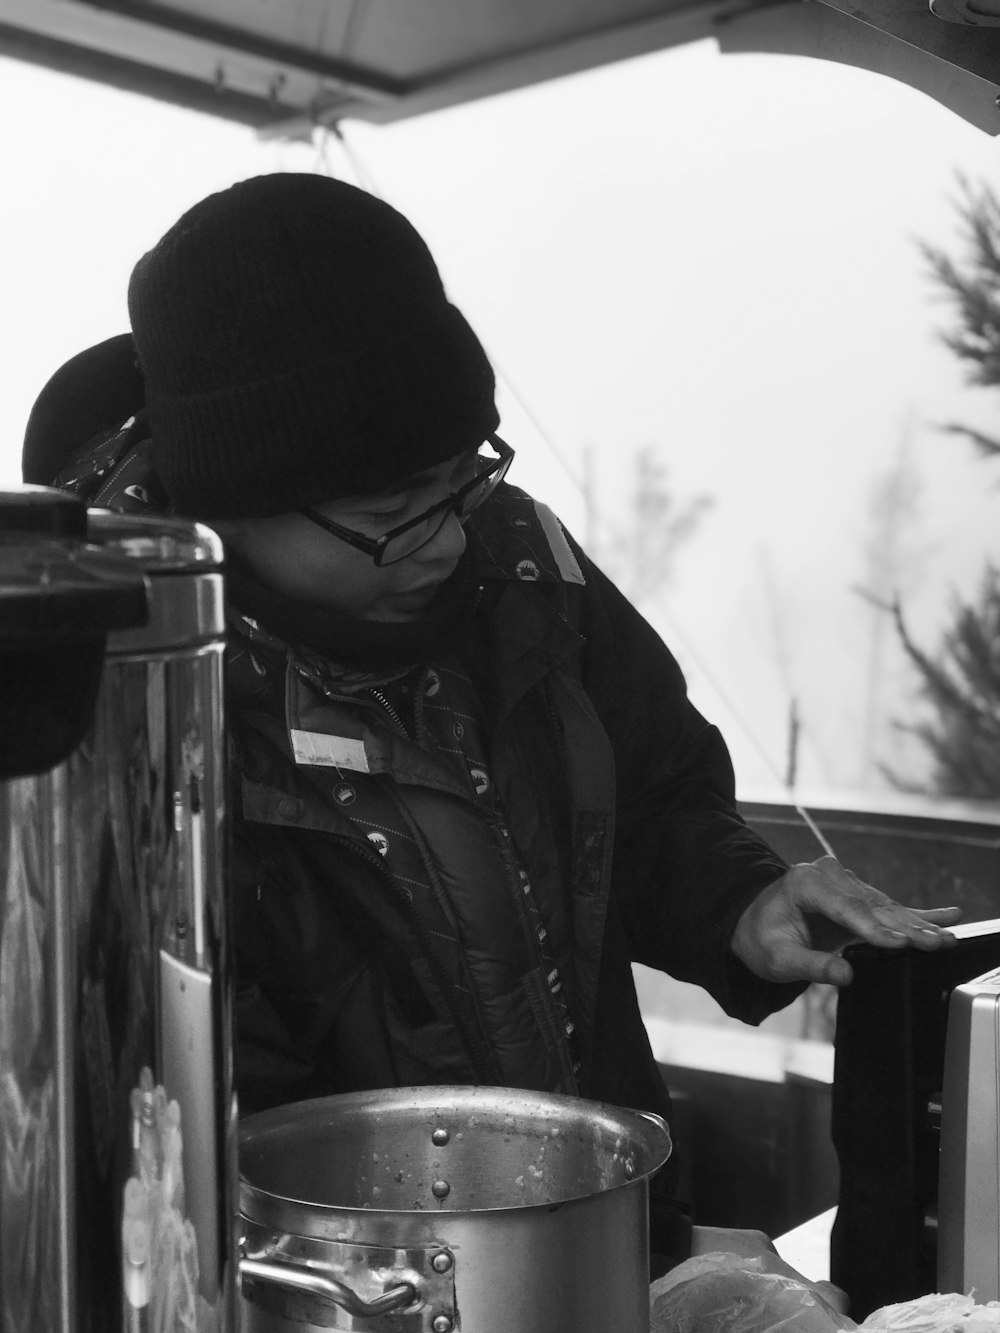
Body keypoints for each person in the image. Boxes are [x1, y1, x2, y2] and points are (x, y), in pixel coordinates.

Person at [23, 172, 960, 1283]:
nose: (441, 539)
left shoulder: (524, 563)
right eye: (388, 516)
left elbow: (653, 791)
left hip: (589, 1229)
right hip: (328, 1278)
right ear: (234, 493)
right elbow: (160, 1065)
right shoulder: (132, 685)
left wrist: (740, 899)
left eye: (459, 483)